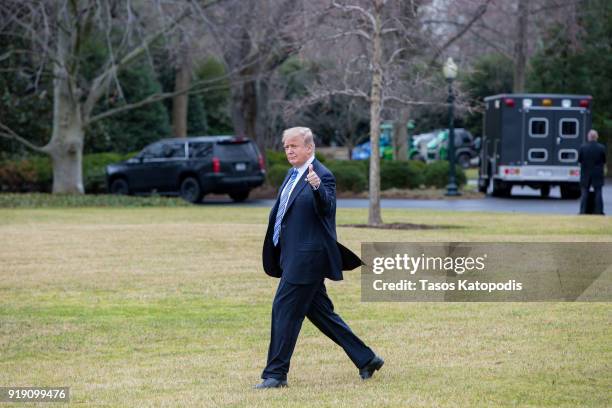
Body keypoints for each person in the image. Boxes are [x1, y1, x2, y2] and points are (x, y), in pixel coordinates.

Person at [255, 127, 383, 389]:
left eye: (294, 146)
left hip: (307, 260)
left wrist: (316, 188)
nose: (289, 150)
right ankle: (367, 358)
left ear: (309, 148)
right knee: (322, 314)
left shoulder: (322, 176)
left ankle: (275, 374)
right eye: (286, 147)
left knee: (284, 311)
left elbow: (327, 207)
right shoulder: (291, 175)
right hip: (291, 257)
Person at [578, 129, 606, 215]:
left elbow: (579, 160)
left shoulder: (583, 147)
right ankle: (599, 211)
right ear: (596, 137)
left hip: (585, 173)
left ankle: (583, 211)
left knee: (584, 193)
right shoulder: (601, 148)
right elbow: (604, 160)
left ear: (588, 137)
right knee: (598, 192)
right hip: (597, 173)